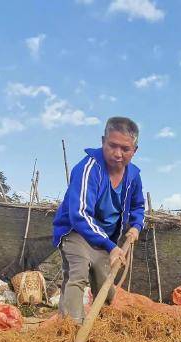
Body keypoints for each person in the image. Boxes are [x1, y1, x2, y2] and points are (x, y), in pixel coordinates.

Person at [52, 116, 145, 323]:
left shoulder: (133, 176)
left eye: (125, 149)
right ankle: (70, 328)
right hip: (77, 231)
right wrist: (111, 247)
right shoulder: (88, 169)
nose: (118, 154)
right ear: (103, 141)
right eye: (112, 145)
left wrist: (136, 225)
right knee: (77, 275)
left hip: (105, 238)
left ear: (135, 150)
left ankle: (103, 324)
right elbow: (80, 214)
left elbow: (138, 206)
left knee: (105, 283)